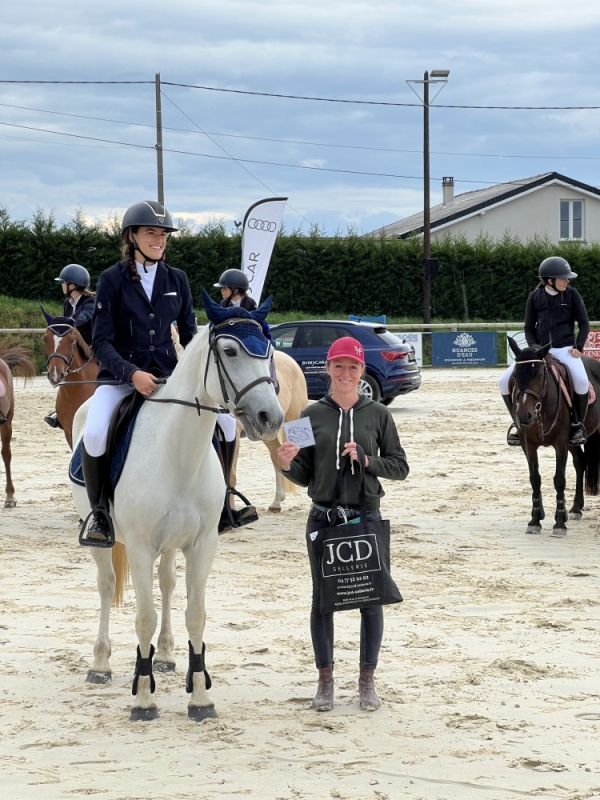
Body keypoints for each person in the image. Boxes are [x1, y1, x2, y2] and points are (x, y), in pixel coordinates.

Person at [277, 337, 409, 712]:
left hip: (366, 514)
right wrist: (286, 463)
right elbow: (304, 475)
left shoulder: (379, 414)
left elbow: (400, 466)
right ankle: (325, 681)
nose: (345, 373)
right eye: (339, 366)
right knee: (324, 601)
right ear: (328, 369)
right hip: (322, 516)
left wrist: (368, 461)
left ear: (362, 371)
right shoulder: (307, 415)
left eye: (352, 367)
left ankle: (367, 681)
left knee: (371, 598)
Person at [80, 200, 197, 546]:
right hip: (120, 379)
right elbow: (100, 342)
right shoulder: (111, 280)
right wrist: (132, 375)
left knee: (222, 423)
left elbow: (190, 337)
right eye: (151, 233)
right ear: (132, 236)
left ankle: (225, 501)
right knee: (96, 432)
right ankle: (100, 512)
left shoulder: (178, 279)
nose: (159, 240)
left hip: (167, 377)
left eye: (163, 235)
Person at [499, 256, 590, 447]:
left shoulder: (572, 295)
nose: (567, 281)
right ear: (550, 280)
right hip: (539, 352)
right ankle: (517, 424)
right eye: (563, 278)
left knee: (582, 382)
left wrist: (578, 347)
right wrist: (534, 347)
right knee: (503, 381)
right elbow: (528, 327)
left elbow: (583, 323)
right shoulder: (535, 297)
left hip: (565, 349)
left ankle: (577, 425)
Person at [44, 264, 96, 428]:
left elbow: (85, 317)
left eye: (63, 282)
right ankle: (61, 414)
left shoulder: (91, 302)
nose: (61, 285)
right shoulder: (68, 303)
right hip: (75, 346)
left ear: (71, 285)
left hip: (95, 345)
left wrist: (71, 323)